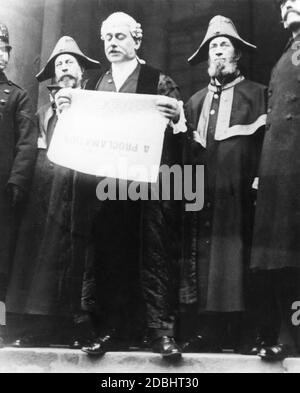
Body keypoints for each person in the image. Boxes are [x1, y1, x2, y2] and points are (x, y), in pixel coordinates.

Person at [57, 12, 187, 360]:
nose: (113, 43)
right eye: (108, 38)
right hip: (106, 187)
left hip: (145, 189)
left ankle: (160, 332)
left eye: (120, 36)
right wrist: (66, 108)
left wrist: (175, 118)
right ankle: (108, 331)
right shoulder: (92, 85)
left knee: (152, 252)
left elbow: (179, 133)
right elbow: (77, 131)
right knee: (108, 255)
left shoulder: (158, 81)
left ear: (136, 41)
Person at [6, 37, 101, 348]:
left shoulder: (97, 104)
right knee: (42, 259)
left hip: (86, 190)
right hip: (47, 193)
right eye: (59, 65)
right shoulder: (43, 112)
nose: (64, 68)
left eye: (69, 62)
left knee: (83, 259)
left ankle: (80, 328)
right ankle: (39, 326)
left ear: (81, 70)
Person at [181, 16, 267, 354]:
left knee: (241, 260)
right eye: (212, 48)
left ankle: (247, 333)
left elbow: (267, 146)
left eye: (223, 46)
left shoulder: (258, 94)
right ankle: (210, 331)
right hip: (204, 197)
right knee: (204, 262)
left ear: (237, 55)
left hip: (244, 196)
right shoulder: (194, 102)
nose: (217, 53)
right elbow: (186, 153)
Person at [251, 0, 300, 361]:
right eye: (283, 3)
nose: (286, 6)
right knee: (281, 255)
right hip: (278, 168)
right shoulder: (285, 55)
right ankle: (288, 336)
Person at [0, 23, 37, 347]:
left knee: (1, 264)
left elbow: (26, 144)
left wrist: (17, 182)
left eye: (2, 49)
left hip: (2, 196)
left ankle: (0, 326)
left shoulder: (17, 97)